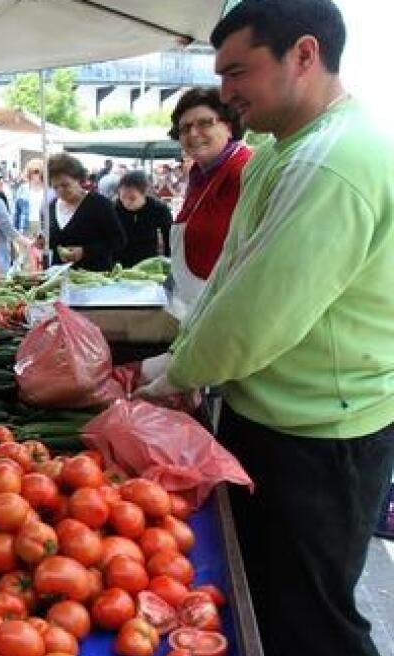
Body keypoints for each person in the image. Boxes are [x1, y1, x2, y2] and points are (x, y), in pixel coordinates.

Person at [137, 2, 394, 655]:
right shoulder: (288, 149)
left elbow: (257, 315)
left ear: (303, 55)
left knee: (314, 622)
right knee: (274, 607)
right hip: (284, 415)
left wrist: (165, 376)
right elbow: (231, 276)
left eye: (237, 71)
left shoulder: (331, 161)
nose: (226, 92)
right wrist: (184, 363)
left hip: (317, 435)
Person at [165, 87, 253, 318]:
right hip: (197, 308)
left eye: (204, 123)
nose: (193, 133)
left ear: (229, 126)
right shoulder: (199, 175)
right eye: (184, 128)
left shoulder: (246, 170)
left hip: (232, 311)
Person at [46, 153, 126, 271]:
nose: (60, 191)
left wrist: (85, 251)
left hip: (94, 278)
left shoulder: (100, 204)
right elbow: (56, 241)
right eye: (55, 187)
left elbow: (119, 241)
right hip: (61, 279)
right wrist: (44, 241)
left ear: (78, 179)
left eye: (65, 185)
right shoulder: (52, 206)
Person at [113, 170, 173, 267]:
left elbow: (169, 238)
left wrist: (168, 261)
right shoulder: (114, 209)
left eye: (132, 198)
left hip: (149, 263)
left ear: (144, 194)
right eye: (123, 197)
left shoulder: (158, 209)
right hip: (119, 263)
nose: (127, 202)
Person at [13, 158, 53, 238]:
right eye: (33, 172)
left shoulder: (49, 189)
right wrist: (15, 232)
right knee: (25, 249)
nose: (36, 175)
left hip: (44, 225)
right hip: (26, 225)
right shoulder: (22, 189)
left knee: (42, 249)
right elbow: (16, 212)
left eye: (38, 171)